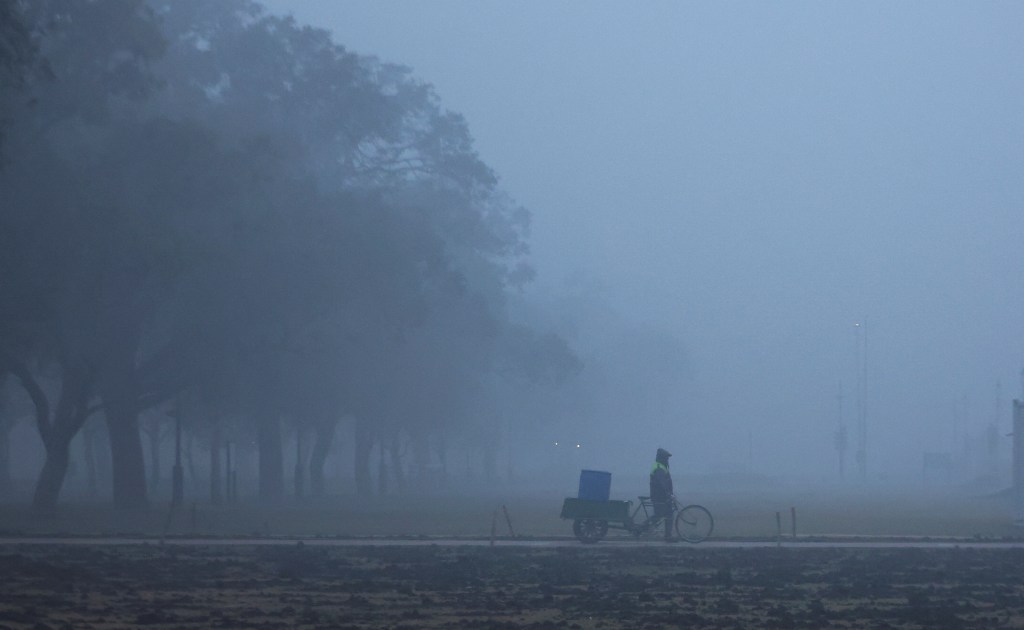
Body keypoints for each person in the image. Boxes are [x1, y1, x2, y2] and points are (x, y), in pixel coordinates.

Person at [649, 447, 675, 541]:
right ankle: (667, 536)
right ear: (662, 458)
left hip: (662, 495)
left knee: (666, 514)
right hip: (659, 496)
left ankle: (668, 535)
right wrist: (668, 493)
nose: (667, 459)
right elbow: (662, 482)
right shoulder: (659, 467)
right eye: (666, 457)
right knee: (661, 514)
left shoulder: (661, 466)